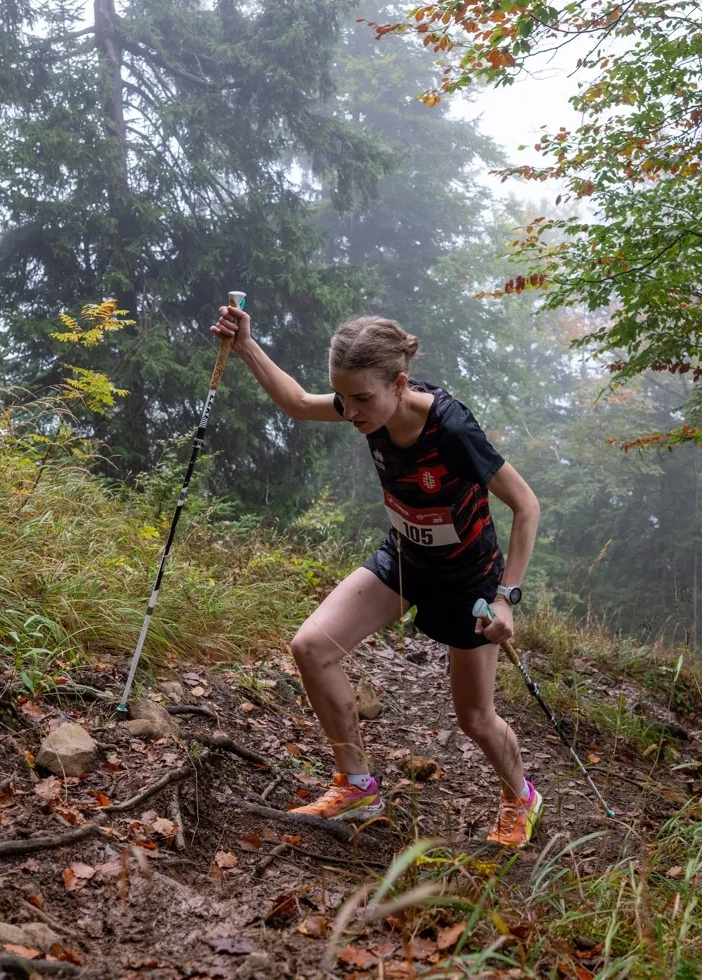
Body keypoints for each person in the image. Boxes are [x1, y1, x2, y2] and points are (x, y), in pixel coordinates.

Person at [211, 308, 544, 847]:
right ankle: (358, 784)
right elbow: (297, 402)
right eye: (343, 398)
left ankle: (520, 797)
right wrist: (246, 345)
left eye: (363, 399)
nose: (351, 412)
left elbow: (526, 505)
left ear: (400, 383)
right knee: (312, 646)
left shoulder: (452, 428)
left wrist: (506, 598)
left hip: (468, 581)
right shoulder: (363, 406)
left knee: (475, 718)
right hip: (405, 561)